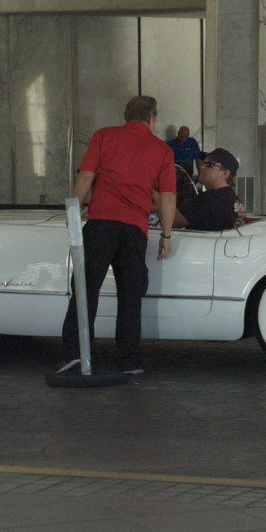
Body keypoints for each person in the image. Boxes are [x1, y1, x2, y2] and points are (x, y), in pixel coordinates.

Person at [58, 96, 176, 377]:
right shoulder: (161, 149)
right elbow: (168, 197)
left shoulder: (104, 136)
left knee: (85, 290)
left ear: (126, 115)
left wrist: (73, 212)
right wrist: (166, 235)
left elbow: (85, 177)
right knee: (131, 295)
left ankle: (76, 356)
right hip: (134, 230)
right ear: (152, 118)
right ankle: (128, 361)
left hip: (100, 225)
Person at [174, 148, 243, 231]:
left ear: (225, 174)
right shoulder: (235, 199)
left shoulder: (209, 198)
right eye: (203, 163)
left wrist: (164, 195)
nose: (201, 166)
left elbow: (171, 220)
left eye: (209, 164)